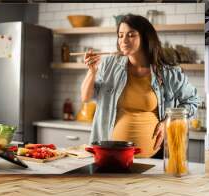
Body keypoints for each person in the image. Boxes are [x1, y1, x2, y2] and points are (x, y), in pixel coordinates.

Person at [81, 14, 199, 158]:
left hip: (154, 159)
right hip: (109, 155)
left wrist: (168, 122)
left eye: (131, 35)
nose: (123, 40)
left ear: (145, 37)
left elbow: (193, 101)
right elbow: (86, 97)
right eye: (120, 35)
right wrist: (91, 71)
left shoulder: (168, 73)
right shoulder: (109, 65)